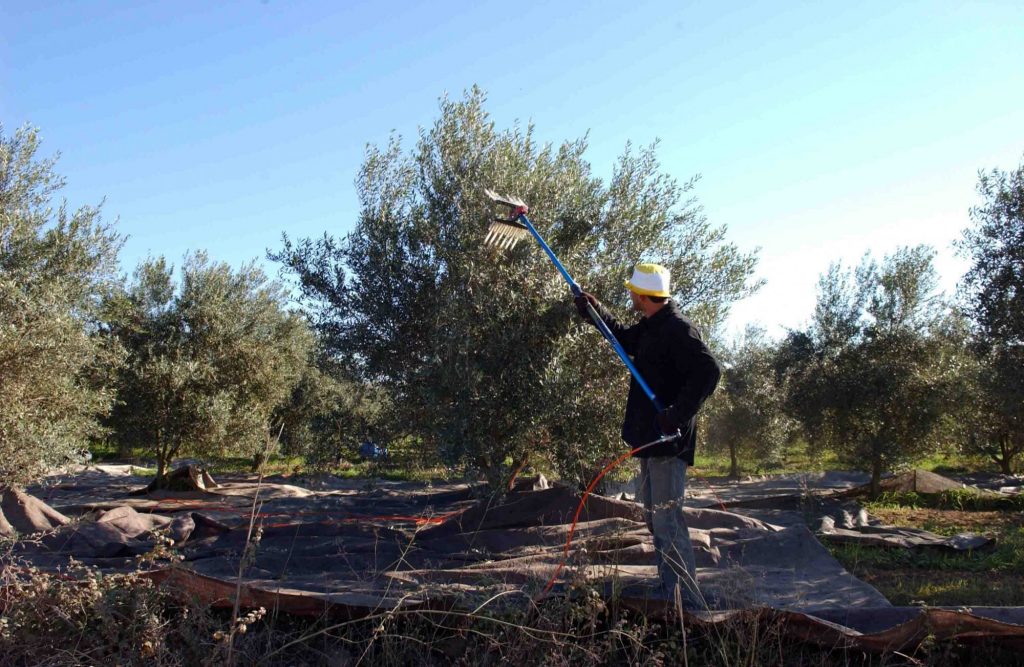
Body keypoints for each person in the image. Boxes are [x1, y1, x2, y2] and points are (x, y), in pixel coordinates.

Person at [574, 263, 721, 608]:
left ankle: (687, 601)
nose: (630, 295)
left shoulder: (678, 330)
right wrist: (594, 312)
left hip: (668, 444)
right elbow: (623, 339)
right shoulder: (652, 327)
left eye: (632, 291)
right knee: (656, 520)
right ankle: (670, 589)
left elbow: (709, 371)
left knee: (668, 520)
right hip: (651, 441)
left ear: (642, 295)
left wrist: (676, 415)